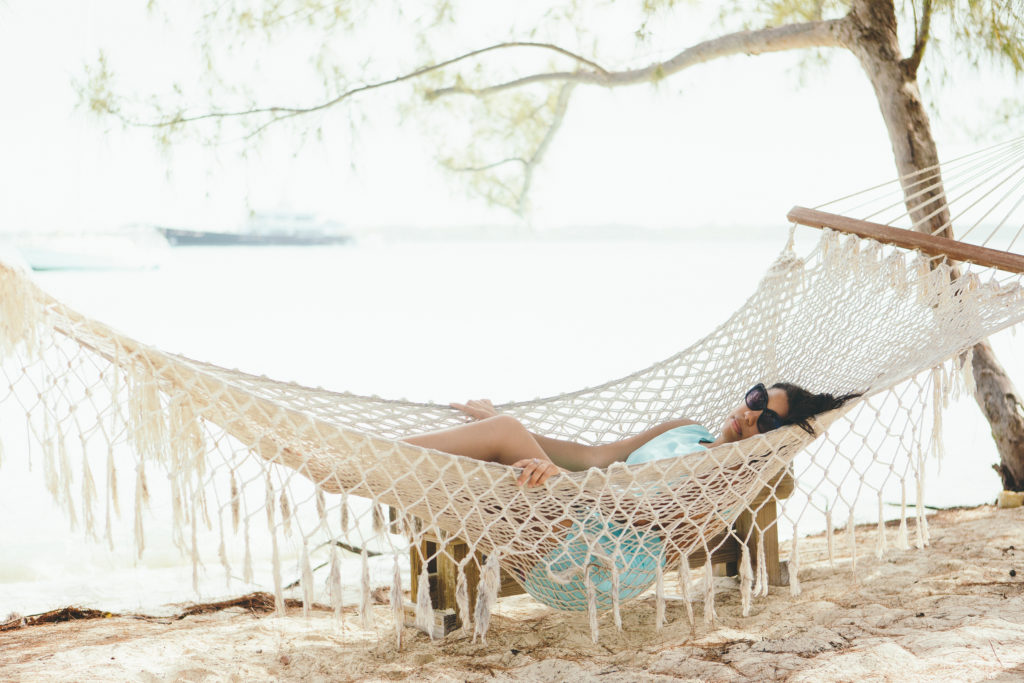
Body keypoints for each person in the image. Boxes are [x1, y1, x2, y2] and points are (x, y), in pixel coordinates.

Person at [404, 382, 859, 487]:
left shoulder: (726, 474)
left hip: (608, 547)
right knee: (498, 436)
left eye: (770, 421)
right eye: (758, 399)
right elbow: (591, 457)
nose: (753, 414)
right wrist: (509, 432)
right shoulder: (685, 430)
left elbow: (656, 527)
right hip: (571, 499)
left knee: (502, 433)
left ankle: (375, 461)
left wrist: (563, 483)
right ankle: (378, 463)